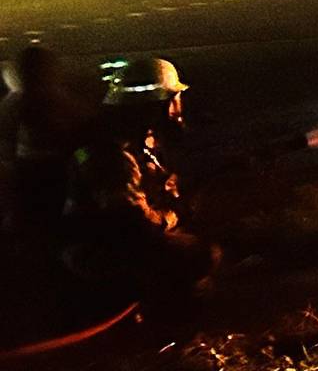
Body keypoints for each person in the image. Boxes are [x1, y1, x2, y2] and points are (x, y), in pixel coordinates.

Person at [60, 57, 216, 298]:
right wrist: (175, 215)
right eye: (173, 100)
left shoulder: (134, 138)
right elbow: (133, 227)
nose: (178, 107)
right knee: (201, 253)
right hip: (95, 252)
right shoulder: (111, 155)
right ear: (156, 105)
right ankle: (152, 300)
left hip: (114, 239)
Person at [0, 44, 87, 239]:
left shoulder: (12, 105)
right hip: (52, 176)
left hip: (32, 178)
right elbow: (82, 141)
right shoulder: (61, 102)